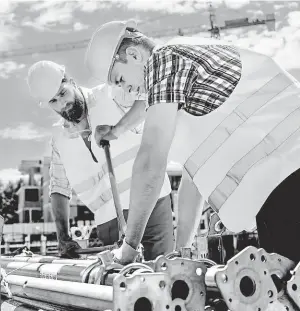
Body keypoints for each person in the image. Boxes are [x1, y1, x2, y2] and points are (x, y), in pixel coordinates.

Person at [85, 20, 300, 265]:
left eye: (120, 79)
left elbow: (149, 163)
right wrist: (182, 253)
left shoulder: (163, 61)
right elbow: (194, 180)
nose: (127, 90)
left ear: (133, 54)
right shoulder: (184, 76)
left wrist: (129, 248)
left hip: (289, 183)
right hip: (282, 184)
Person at [27, 60, 174, 260]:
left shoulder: (110, 93)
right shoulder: (59, 140)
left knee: (162, 273)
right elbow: (59, 189)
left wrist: (117, 129)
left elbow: (147, 100)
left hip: (151, 206)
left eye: (63, 93)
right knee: (122, 283)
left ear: (70, 80)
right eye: (54, 101)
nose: (62, 104)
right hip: (108, 222)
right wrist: (63, 237)